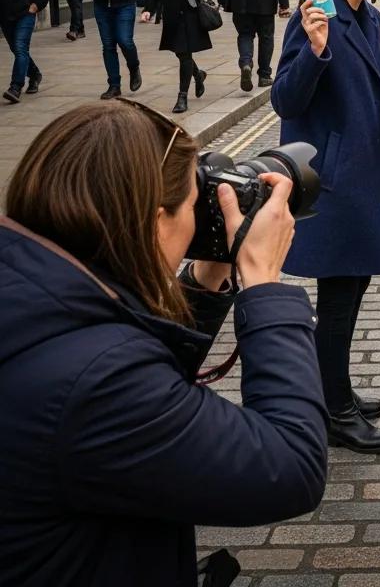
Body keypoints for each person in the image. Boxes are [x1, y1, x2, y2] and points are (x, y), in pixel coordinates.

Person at [0, 100, 327, 587]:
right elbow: (291, 466)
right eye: (192, 206)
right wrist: (262, 283)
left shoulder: (34, 287)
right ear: (155, 222)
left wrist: (205, 278)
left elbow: (128, 354)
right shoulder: (96, 384)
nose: (196, 221)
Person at [272, 0, 380, 455]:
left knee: (350, 292)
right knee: (339, 296)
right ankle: (335, 412)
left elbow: (370, 94)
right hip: (328, 178)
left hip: (361, 173)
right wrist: (315, 47)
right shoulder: (315, 15)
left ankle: (335, 389)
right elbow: (285, 99)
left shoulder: (368, 17)